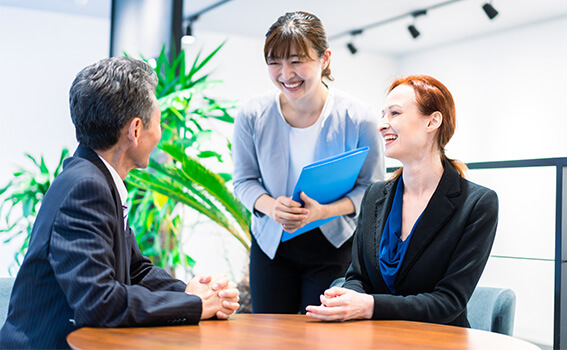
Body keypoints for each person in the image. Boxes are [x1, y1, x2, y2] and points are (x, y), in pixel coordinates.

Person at [0, 57, 240, 349]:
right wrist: (193, 305)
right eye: (159, 122)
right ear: (136, 129)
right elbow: (98, 302)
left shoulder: (94, 177)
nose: (160, 134)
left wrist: (191, 293)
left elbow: (135, 270)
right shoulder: (87, 188)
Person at [306, 75, 498, 327]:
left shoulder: (478, 204)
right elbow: (357, 276)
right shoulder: (374, 195)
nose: (382, 125)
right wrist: (348, 297)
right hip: (373, 337)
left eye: (394, 113)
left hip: (438, 340)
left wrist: (371, 306)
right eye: (383, 114)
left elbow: (449, 301)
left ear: (433, 121)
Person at [232, 11, 385, 314]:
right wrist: (271, 206)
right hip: (272, 244)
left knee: (321, 338)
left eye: (296, 61)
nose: (286, 74)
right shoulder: (251, 114)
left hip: (334, 244)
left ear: (325, 58)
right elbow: (243, 181)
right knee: (269, 335)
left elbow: (372, 189)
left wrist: (324, 211)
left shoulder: (358, 117)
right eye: (274, 62)